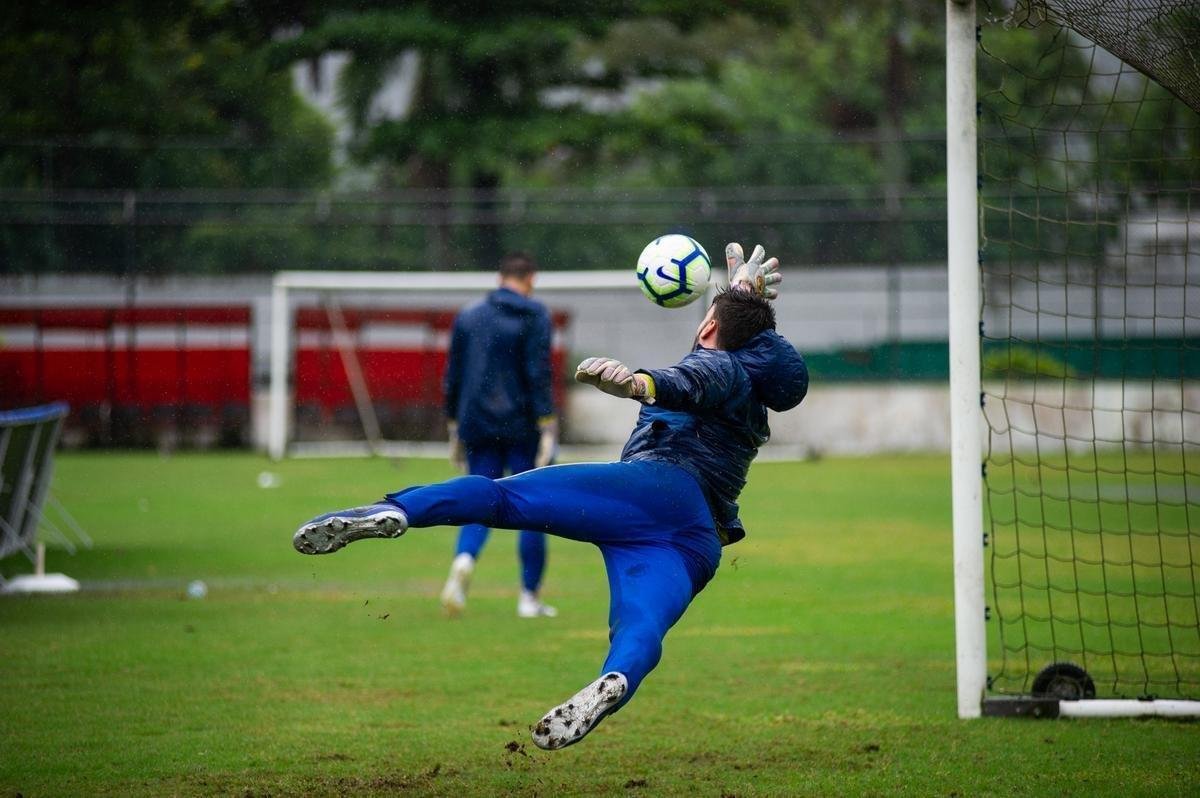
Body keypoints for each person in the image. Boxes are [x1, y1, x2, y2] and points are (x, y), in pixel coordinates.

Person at [292, 243, 806, 750]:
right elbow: (756, 363)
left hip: (655, 490)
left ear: (708, 328)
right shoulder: (755, 387)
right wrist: (749, 305)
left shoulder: (718, 368)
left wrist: (640, 383)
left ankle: (397, 509)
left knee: (504, 500)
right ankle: (617, 681)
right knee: (640, 622)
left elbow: (689, 377)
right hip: (696, 541)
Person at [440, 251, 559, 618]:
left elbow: (453, 376)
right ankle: (529, 597)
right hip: (522, 424)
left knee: (478, 499)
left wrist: (453, 424)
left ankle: (464, 559)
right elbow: (538, 373)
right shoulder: (535, 314)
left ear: (499, 278)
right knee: (533, 508)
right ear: (531, 279)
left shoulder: (469, 315)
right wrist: (548, 424)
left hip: (477, 423)